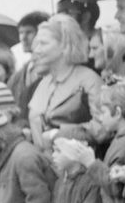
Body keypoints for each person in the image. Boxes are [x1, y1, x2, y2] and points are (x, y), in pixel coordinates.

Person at [28, 14, 102, 150]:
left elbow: (103, 128)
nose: (36, 50)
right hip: (42, 166)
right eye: (37, 44)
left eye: (43, 43)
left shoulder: (89, 80)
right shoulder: (43, 83)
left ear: (64, 45)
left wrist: (61, 133)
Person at [9, 11, 51, 114]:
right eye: (21, 33)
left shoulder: (53, 69)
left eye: (29, 32)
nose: (23, 38)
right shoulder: (18, 75)